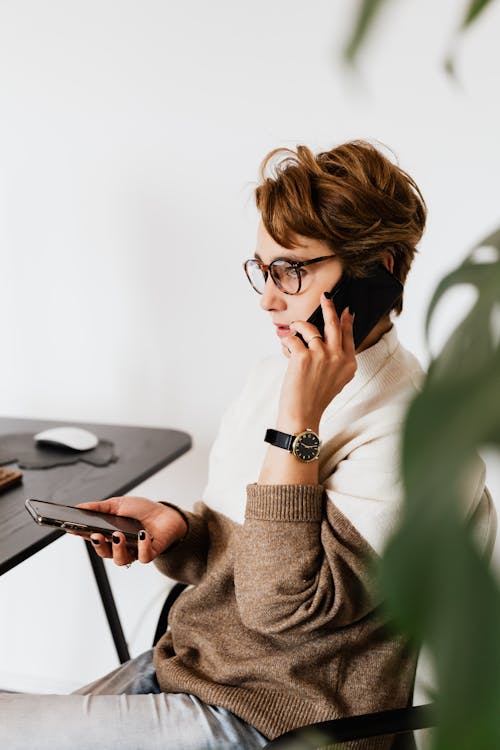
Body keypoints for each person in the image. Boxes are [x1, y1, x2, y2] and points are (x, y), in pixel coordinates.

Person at [1, 140, 486, 750]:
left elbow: (279, 609)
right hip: (190, 675)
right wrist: (181, 527)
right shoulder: (274, 376)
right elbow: (248, 552)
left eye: (293, 270)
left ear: (376, 272)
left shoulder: (413, 433)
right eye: (263, 268)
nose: (268, 298)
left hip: (281, 722)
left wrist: (298, 423)